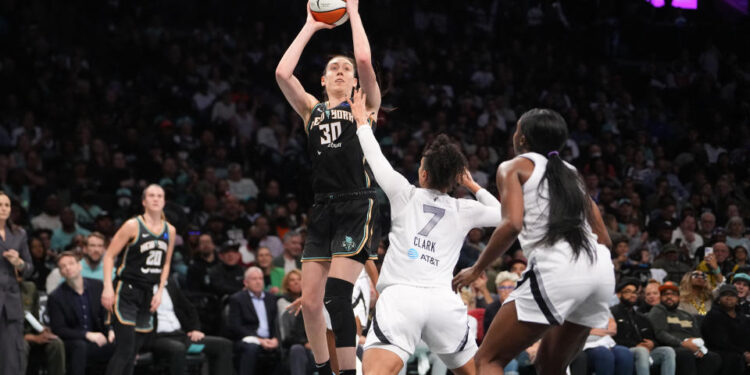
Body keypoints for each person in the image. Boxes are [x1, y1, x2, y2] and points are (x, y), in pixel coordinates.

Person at [347, 89, 502, 375]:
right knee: (481, 371)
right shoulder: (462, 208)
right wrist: (473, 186)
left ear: (424, 175)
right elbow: (504, 215)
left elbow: (374, 156)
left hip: (401, 299)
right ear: (455, 179)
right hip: (443, 303)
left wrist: (360, 121)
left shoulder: (404, 194)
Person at [453, 108, 615, 375]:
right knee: (551, 367)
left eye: (517, 129)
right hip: (600, 270)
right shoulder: (572, 173)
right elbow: (604, 237)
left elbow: (512, 224)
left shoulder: (513, 166)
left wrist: (477, 268)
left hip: (559, 266)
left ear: (523, 139)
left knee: (487, 360)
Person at [275, 0, 382, 373]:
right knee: (310, 302)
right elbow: (283, 73)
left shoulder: (364, 106)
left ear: (354, 82)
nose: (340, 71)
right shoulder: (311, 110)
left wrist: (353, 13)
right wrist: (310, 25)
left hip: (357, 205)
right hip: (323, 207)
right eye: (333, 68)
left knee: (338, 296)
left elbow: (366, 61)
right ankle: (324, 369)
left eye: (345, 69)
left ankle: (349, 371)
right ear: (322, 80)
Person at [100, 184, 176, 375]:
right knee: (124, 349)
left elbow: (166, 264)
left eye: (160, 195)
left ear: (164, 201)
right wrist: (108, 287)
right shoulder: (133, 225)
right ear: (144, 201)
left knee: (133, 352)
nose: (156, 198)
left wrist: (159, 292)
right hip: (126, 290)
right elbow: (109, 256)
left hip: (148, 293)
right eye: (151, 195)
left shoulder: (170, 230)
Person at [147, 275, 233, 375]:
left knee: (223, 345)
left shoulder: (170, 284)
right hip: (158, 338)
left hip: (181, 336)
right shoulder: (143, 286)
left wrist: (195, 329)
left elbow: (189, 309)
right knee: (178, 349)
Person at [48, 251, 114, 375]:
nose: (68, 268)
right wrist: (87, 335)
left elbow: (106, 313)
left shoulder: (97, 286)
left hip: (99, 337)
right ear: (61, 272)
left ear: (80, 266)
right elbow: (58, 328)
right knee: (80, 347)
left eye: (71, 263)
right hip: (73, 341)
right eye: (63, 266)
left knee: (120, 344)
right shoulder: (56, 297)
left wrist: (110, 329)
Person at [647, 281, 721, 375]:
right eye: (665, 294)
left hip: (690, 347)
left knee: (713, 357)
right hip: (671, 347)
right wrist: (681, 343)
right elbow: (660, 333)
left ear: (679, 298)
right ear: (661, 298)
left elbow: (697, 335)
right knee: (685, 354)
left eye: (673, 294)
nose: (669, 297)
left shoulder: (687, 315)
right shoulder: (658, 310)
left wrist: (700, 348)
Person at [610, 278, 676, 375]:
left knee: (668, 351)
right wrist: (634, 345)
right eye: (628, 292)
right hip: (624, 350)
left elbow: (654, 337)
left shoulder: (641, 317)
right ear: (619, 295)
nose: (632, 295)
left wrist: (652, 344)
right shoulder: (612, 313)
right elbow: (611, 338)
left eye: (634, 292)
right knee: (641, 351)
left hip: (645, 351)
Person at [0, 191, 34, 374]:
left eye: (6, 205)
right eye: (0, 205)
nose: (3, 209)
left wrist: (19, 263)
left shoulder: (19, 234)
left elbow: (29, 268)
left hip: (11, 301)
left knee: (12, 354)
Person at [227, 267, 280, 375]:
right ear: (246, 282)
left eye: (260, 278)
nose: (258, 282)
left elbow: (275, 323)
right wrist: (259, 340)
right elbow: (236, 327)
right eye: (254, 279)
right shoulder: (237, 299)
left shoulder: (271, 299)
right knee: (252, 347)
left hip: (269, 339)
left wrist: (276, 339)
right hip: (247, 338)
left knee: (283, 348)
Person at [19, 274, 65, 375]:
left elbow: (33, 316)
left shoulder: (30, 287)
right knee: (21, 345)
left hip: (29, 332)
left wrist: (42, 328)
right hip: (10, 337)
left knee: (55, 343)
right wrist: (31, 338)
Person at [701, 284, 750, 375]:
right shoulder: (713, 315)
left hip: (741, 351)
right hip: (719, 351)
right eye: (725, 295)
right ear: (719, 300)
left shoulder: (743, 318)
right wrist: (743, 353)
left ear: (737, 300)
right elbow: (719, 341)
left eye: (732, 295)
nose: (728, 297)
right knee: (734, 358)